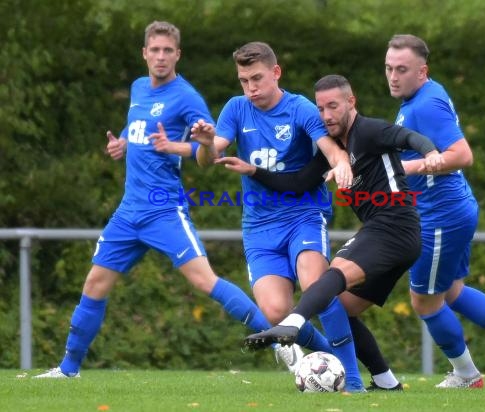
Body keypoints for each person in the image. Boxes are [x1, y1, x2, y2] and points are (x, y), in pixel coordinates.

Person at [33, 21, 296, 378]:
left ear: (177, 55)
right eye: (154, 50)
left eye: (167, 51)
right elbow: (137, 125)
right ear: (144, 53)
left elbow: (208, 147)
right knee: (94, 283)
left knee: (206, 281)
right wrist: (124, 141)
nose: (160, 57)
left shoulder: (186, 97)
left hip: (163, 209)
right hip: (129, 212)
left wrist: (185, 145)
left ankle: (282, 342)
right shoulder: (139, 87)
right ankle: (67, 370)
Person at [231, 74, 445, 387]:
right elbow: (298, 184)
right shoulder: (331, 150)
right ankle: (386, 381)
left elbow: (408, 137)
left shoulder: (368, 130)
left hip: (395, 226)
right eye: (320, 108)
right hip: (384, 231)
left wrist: (431, 153)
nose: (327, 115)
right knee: (341, 308)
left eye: (333, 106)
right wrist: (253, 170)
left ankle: (291, 324)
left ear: (351, 102)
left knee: (329, 278)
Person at [194, 42, 365, 391]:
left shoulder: (300, 108)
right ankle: (325, 365)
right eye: (243, 80)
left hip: (303, 214)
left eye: (257, 78)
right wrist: (207, 143)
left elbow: (330, 147)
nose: (251, 87)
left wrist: (342, 163)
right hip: (258, 225)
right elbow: (206, 160)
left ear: (276, 73)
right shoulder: (236, 109)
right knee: (276, 313)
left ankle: (354, 381)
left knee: (316, 284)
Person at [383, 34, 485, 388]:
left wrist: (407, 169)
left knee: (424, 302)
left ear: (422, 71)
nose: (393, 76)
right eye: (388, 68)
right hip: (451, 209)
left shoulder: (423, 105)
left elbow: (462, 155)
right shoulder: (421, 96)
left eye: (402, 69)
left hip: (439, 216)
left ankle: (467, 374)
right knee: (453, 291)